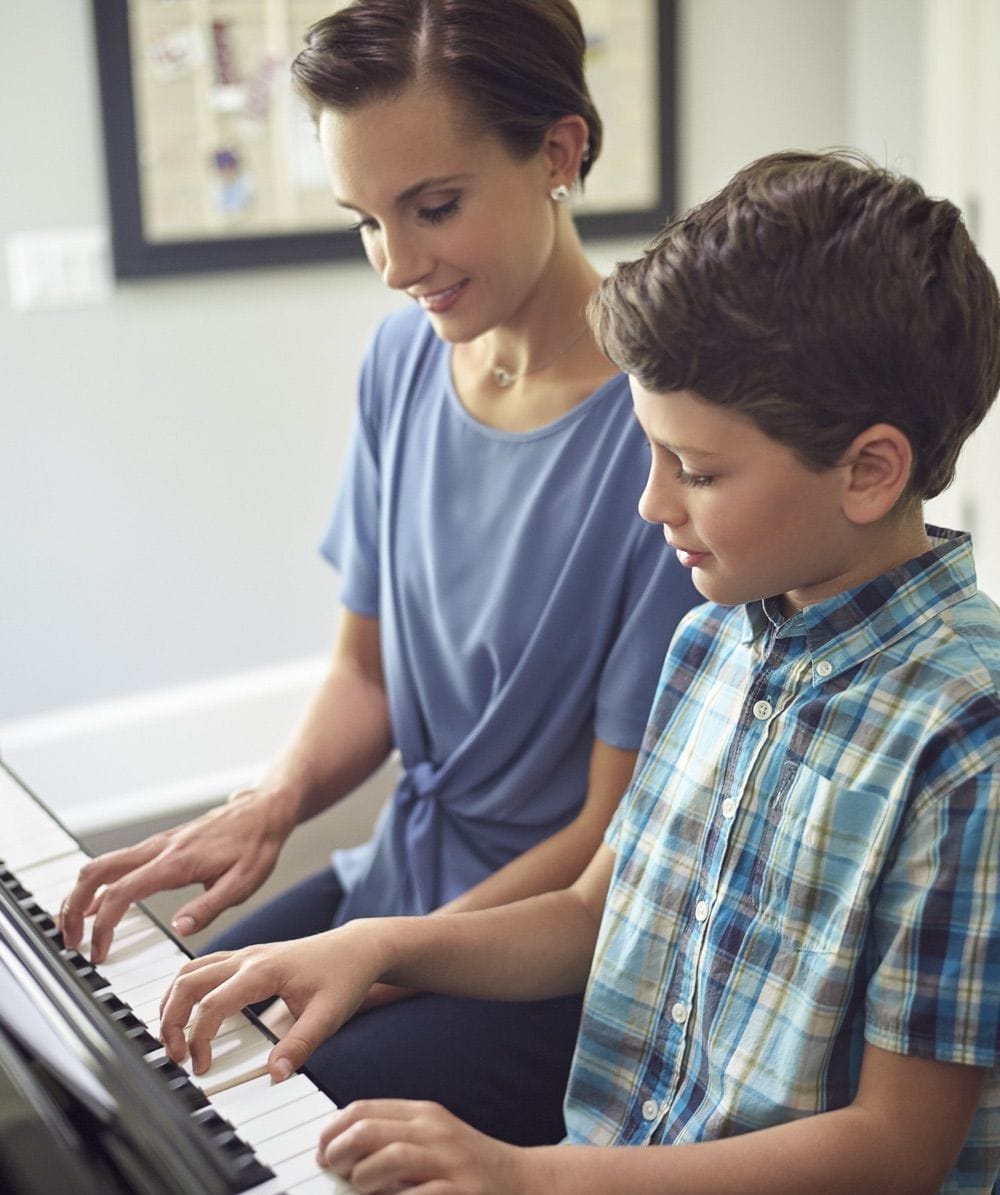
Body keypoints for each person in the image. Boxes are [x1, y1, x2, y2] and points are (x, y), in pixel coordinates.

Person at [158, 148, 1000, 1194]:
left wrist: (530, 1176)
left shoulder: (966, 737)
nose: (653, 505)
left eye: (696, 470)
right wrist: (378, 944)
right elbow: (590, 914)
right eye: (652, 454)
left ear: (869, 470)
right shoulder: (713, 641)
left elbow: (894, 1149)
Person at [59, 0, 700, 1146]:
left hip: (539, 959)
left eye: (434, 207)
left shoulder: (664, 444)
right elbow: (367, 672)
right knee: (138, 1052)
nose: (398, 265)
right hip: (394, 876)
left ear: (559, 151)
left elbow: (608, 841)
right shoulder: (405, 358)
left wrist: (383, 961)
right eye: (366, 220)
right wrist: (271, 804)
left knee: (258, 1121)